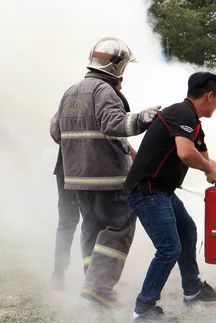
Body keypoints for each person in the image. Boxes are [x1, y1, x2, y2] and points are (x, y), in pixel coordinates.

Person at [124, 72, 216, 323]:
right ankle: (144, 309)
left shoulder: (193, 122)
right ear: (209, 96)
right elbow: (186, 154)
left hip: (161, 191)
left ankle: (192, 289)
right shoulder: (182, 114)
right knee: (169, 248)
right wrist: (208, 170)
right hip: (147, 190)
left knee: (187, 231)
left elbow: (207, 160)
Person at [50, 37, 161, 308]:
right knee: (118, 226)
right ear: (117, 66)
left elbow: (56, 132)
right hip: (107, 177)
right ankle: (99, 287)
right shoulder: (104, 91)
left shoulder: (71, 91)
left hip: (76, 179)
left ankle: (92, 278)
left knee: (92, 226)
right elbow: (114, 123)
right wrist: (145, 117)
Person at [50, 147, 80, 290]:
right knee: (93, 222)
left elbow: (55, 133)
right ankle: (96, 278)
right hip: (90, 168)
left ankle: (58, 273)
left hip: (67, 166)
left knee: (67, 222)